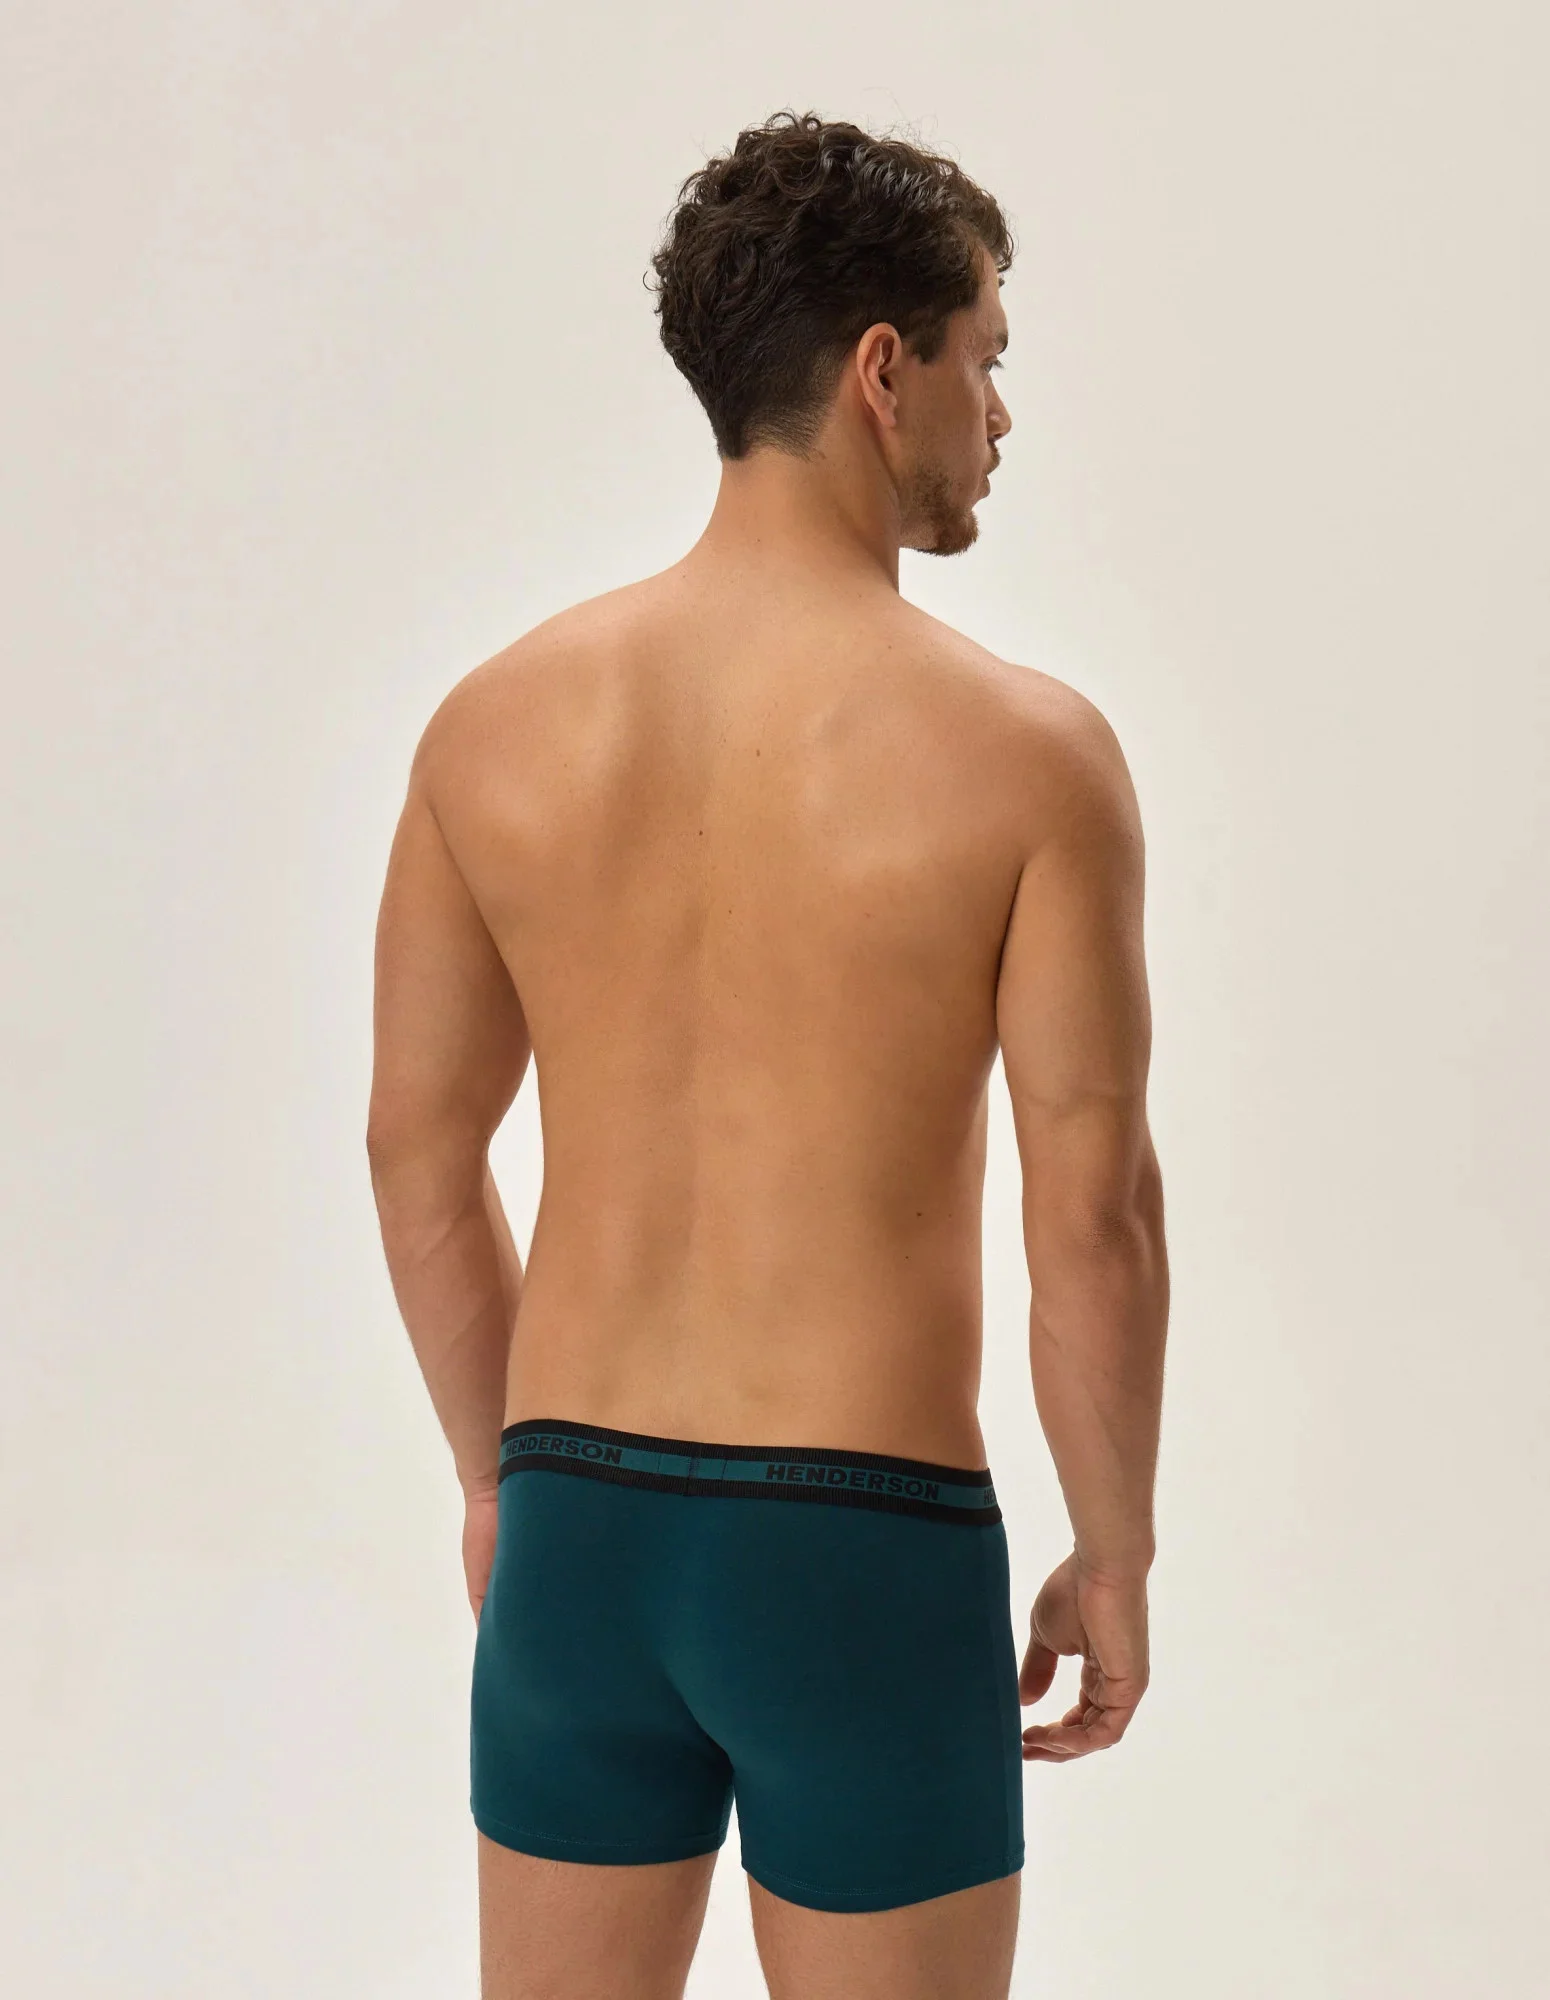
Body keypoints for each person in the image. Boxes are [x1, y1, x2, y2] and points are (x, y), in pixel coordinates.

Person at [367, 108, 1169, 2000]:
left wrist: (496, 1486)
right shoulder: (1027, 757)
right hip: (860, 1554)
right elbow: (1091, 1216)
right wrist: (1112, 1549)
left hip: (576, 1539)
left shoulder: (493, 723)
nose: (997, 414)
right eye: (983, 359)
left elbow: (417, 1153)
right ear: (883, 373)